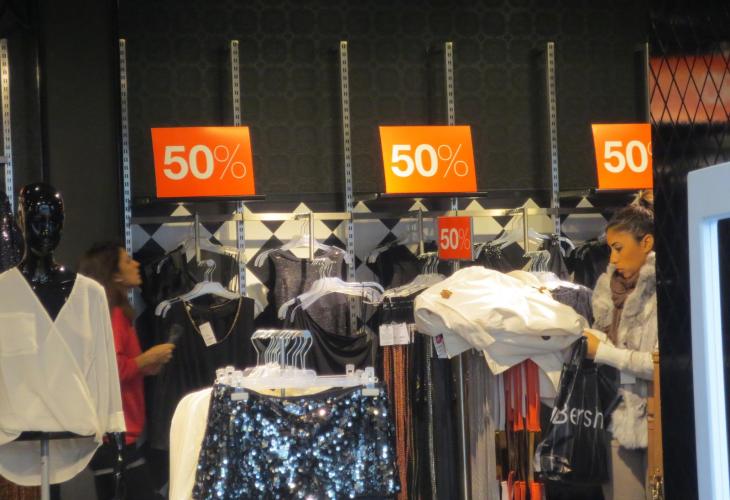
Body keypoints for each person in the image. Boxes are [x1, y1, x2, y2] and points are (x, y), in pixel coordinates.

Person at [79, 242, 175, 500]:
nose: (136, 264)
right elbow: (107, 370)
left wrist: (144, 367)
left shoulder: (111, 314)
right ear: (115, 275)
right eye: (127, 261)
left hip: (115, 436)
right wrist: (146, 359)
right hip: (113, 437)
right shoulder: (113, 316)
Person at [582, 192, 656, 500]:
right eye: (610, 249)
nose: (612, 259)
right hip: (612, 415)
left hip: (655, 420)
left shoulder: (660, 292)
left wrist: (605, 352)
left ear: (646, 243)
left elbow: (658, 365)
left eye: (619, 248)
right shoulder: (607, 291)